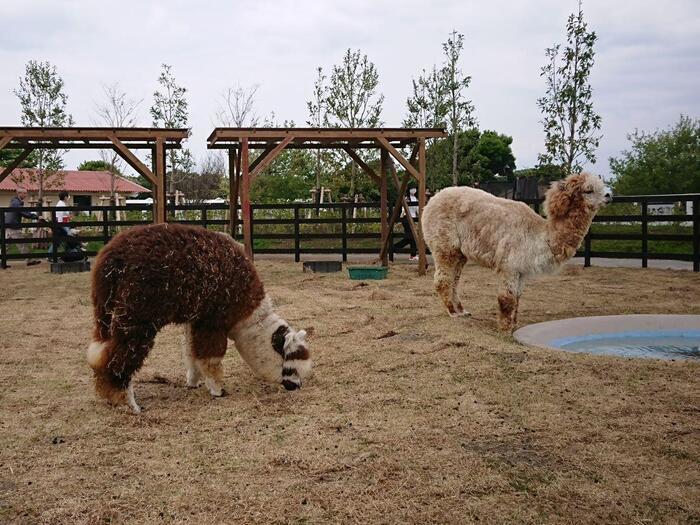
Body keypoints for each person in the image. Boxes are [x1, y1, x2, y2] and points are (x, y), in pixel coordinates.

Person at [4, 187, 41, 266]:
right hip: (13, 225)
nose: (26, 195)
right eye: (24, 193)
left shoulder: (15, 201)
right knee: (22, 243)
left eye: (26, 193)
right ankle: (30, 260)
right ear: (19, 193)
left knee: (6, 245)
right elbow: (23, 212)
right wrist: (35, 216)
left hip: (9, 224)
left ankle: (2, 262)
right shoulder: (16, 202)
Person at [394, 187, 419, 260]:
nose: (414, 190)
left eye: (415, 188)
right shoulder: (406, 198)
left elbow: (417, 210)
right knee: (411, 236)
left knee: (410, 237)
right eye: (412, 188)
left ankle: (394, 248)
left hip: (413, 219)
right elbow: (403, 209)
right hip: (406, 218)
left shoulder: (415, 198)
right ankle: (412, 255)